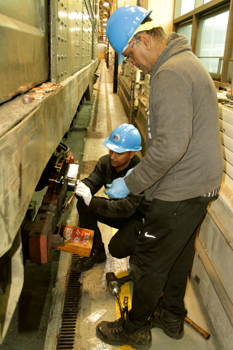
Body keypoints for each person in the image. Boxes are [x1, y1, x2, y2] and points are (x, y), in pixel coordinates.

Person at [96, 5, 223, 350]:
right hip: (199, 184)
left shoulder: (170, 73)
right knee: (179, 254)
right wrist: (143, 174)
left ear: (144, 39)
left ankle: (135, 329)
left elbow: (170, 148)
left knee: (150, 259)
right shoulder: (184, 62)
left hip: (183, 189)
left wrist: (132, 182)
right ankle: (170, 317)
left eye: (129, 54)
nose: (130, 63)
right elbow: (176, 142)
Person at [73, 123, 149, 273]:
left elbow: (126, 208)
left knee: (117, 248)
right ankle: (96, 252)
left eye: (119, 153)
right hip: (116, 212)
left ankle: (140, 251)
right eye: (111, 150)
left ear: (132, 154)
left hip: (135, 219)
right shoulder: (105, 162)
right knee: (83, 204)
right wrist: (82, 187)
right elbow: (93, 181)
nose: (113, 156)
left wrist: (93, 202)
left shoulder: (140, 173)